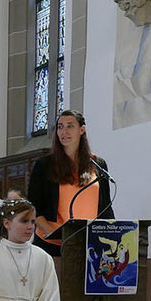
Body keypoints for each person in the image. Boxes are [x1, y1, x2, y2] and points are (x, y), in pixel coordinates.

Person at [28, 110, 115, 256]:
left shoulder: (97, 164)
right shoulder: (45, 164)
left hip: (90, 243)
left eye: (70, 126)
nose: (64, 131)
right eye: (60, 127)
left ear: (82, 130)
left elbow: (106, 208)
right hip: (53, 245)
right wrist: (54, 234)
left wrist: (112, 235)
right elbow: (34, 207)